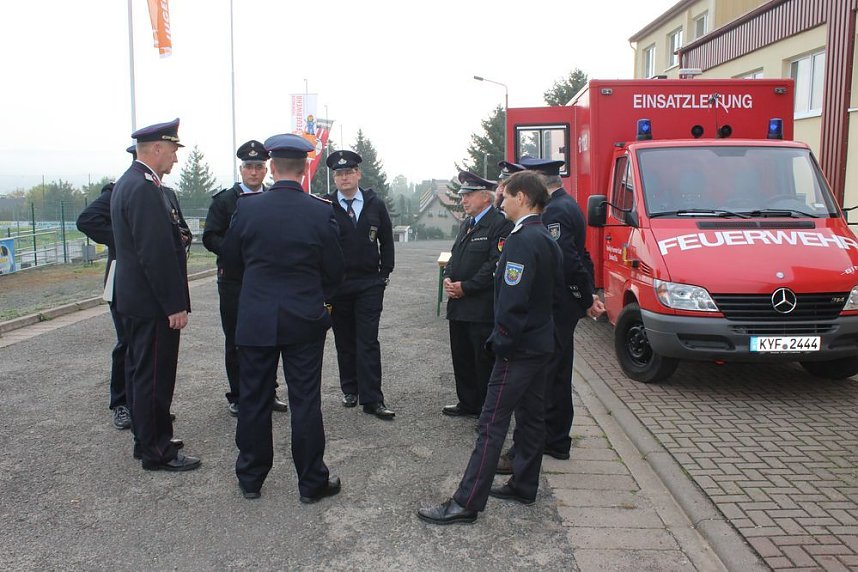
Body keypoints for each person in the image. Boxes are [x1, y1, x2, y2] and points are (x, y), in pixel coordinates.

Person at [418, 170, 563, 525]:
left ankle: (466, 502)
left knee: (491, 423)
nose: (501, 198)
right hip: (541, 342)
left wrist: (501, 342)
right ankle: (523, 484)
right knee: (530, 419)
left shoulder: (521, 240)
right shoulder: (544, 237)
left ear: (524, 199)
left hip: (519, 348)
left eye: (507, 194)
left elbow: (512, 301)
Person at [220, 134, 344, 501]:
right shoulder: (320, 210)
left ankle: (250, 478)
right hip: (304, 319)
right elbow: (335, 270)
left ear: (272, 168)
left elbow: (230, 261)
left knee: (254, 398)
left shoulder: (247, 207)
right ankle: (311, 483)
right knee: (305, 400)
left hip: (256, 318)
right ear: (305, 169)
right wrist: (319, 300)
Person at [496, 157, 606, 474]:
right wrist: (587, 297)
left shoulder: (555, 210)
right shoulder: (568, 204)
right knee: (557, 375)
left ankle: (545, 442)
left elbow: (568, 261)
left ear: (540, 182)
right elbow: (581, 256)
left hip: (555, 308)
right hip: (565, 306)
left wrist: (585, 298)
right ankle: (556, 441)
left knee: (545, 379)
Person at [110, 118, 200, 472]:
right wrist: (174, 305)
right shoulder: (145, 188)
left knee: (140, 373)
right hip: (152, 305)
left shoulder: (129, 182)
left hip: (136, 300)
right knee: (154, 377)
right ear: (158, 148)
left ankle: (147, 438)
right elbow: (155, 253)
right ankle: (157, 451)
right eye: (174, 150)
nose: (176, 159)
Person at [203, 140, 289, 418]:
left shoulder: (275, 198)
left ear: (267, 170)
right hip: (236, 281)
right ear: (241, 169)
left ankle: (268, 391)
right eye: (249, 167)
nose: (254, 172)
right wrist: (239, 250)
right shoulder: (225, 201)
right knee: (237, 339)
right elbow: (210, 237)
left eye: (259, 167)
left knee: (270, 337)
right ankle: (238, 395)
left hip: (268, 280)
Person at [323, 150, 396, 420]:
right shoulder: (325, 205)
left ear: (358, 174)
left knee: (367, 340)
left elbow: (387, 240)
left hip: (368, 284)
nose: (344, 177)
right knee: (344, 339)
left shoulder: (374, 203)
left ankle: (372, 399)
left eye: (348, 172)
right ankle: (350, 389)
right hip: (338, 285)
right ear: (334, 178)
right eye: (339, 174)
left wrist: (384, 273)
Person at [441, 171, 513, 418]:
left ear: (485, 197)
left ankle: (486, 409)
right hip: (459, 307)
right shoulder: (467, 224)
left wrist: (466, 287)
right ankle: (468, 403)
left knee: (483, 362)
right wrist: (448, 278)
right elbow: (454, 256)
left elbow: (495, 264)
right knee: (461, 359)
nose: (463, 200)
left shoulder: (500, 224)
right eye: (463, 195)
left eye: (469, 195)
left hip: (481, 308)